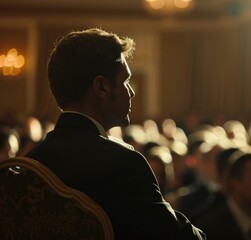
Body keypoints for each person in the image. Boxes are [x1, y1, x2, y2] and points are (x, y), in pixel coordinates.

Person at [25, 28, 205, 240]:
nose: (132, 92)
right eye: (126, 81)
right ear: (101, 88)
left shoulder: (33, 162)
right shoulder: (123, 163)